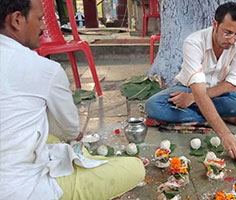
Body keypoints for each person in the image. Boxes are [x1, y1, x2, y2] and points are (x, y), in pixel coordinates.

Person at [0, 0, 145, 199]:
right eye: (40, 18)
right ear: (17, 19)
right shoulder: (44, 69)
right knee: (135, 167)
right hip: (22, 190)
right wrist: (74, 134)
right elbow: (71, 129)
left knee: (50, 138)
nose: (43, 26)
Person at [146, 2, 236, 164]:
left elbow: (233, 84)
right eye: (227, 33)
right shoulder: (193, 42)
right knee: (153, 106)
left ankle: (205, 115)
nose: (232, 40)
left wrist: (193, 99)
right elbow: (197, 90)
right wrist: (224, 133)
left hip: (216, 93)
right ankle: (218, 118)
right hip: (186, 89)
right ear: (215, 24)